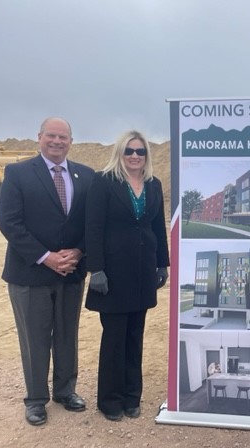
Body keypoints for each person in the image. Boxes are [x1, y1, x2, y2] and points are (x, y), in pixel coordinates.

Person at [0, 117, 95, 426]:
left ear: (71, 141)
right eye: (51, 136)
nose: (57, 141)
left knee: (67, 335)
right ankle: (36, 399)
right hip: (30, 274)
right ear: (39, 137)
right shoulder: (18, 173)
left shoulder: (86, 176)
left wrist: (79, 251)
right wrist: (45, 257)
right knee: (35, 339)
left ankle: (65, 391)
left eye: (63, 137)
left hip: (71, 272)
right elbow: (10, 222)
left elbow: (92, 223)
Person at [84, 130, 170, 421]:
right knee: (114, 339)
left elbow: (158, 226)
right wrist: (95, 269)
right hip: (111, 274)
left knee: (135, 336)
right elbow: (93, 227)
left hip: (142, 272)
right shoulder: (104, 181)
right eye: (129, 151)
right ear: (120, 153)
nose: (135, 156)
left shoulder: (153, 184)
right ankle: (110, 400)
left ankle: (132, 397)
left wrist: (162, 264)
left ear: (147, 155)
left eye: (140, 151)